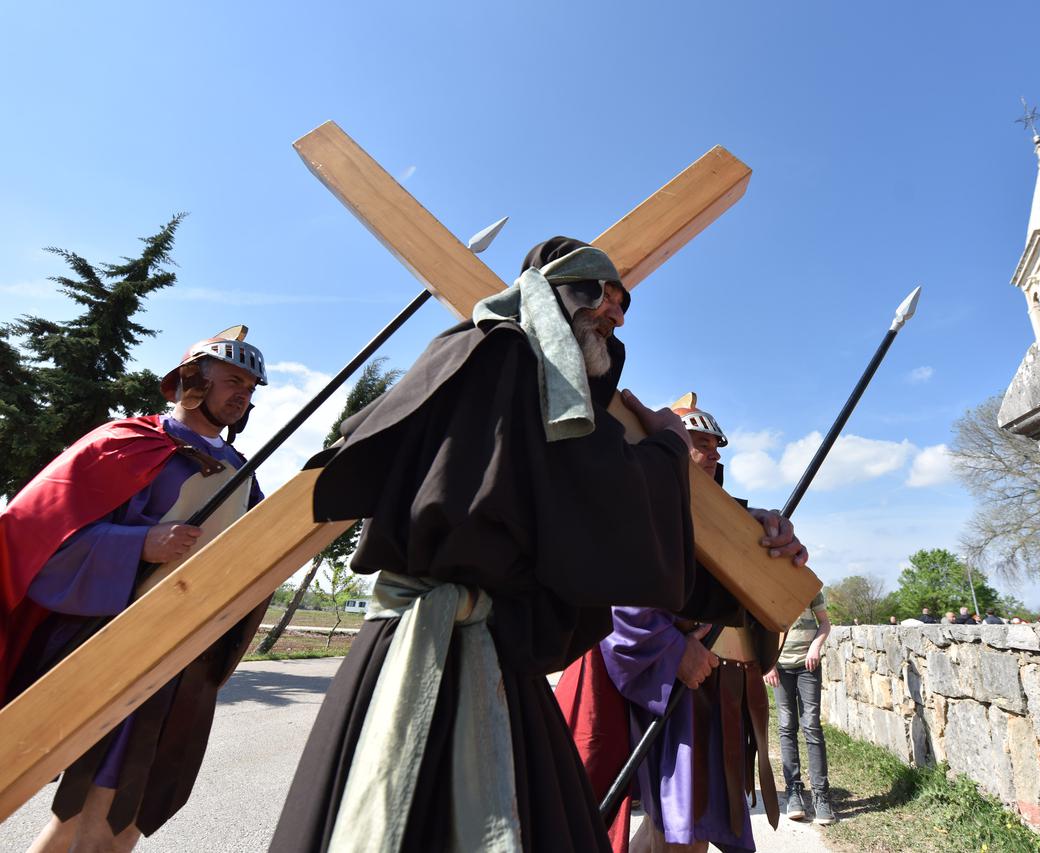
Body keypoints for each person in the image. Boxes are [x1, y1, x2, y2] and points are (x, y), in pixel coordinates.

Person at [269, 239, 807, 853]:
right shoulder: (501, 357)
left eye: (624, 302)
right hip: (437, 653)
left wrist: (750, 538)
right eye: (605, 296)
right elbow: (600, 502)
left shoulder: (536, 388)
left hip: (493, 653)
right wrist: (665, 451)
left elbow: (584, 509)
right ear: (555, 296)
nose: (619, 315)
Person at [0, 327, 268, 852]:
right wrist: (140, 543)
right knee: (93, 816)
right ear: (192, 382)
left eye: (252, 388)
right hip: (107, 641)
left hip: (185, 658)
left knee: (124, 821)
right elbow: (33, 533)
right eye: (233, 380)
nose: (244, 394)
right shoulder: (124, 442)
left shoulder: (242, 476)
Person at [586, 394, 804, 853]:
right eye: (700, 443)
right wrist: (671, 650)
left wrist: (771, 543)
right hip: (673, 685)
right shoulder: (639, 501)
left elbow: (754, 586)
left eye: (715, 447)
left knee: (688, 828)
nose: (713, 454)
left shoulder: (726, 520)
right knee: (678, 826)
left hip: (718, 686)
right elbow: (615, 591)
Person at [765, 587, 835, 826]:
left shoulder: (808, 585)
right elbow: (760, 629)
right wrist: (768, 662)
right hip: (780, 666)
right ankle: (794, 791)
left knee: (812, 726)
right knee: (786, 726)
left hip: (808, 665)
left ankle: (821, 795)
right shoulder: (767, 585)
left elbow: (824, 623)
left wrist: (815, 647)